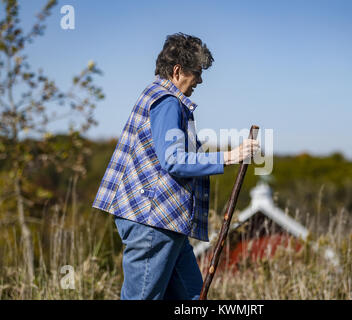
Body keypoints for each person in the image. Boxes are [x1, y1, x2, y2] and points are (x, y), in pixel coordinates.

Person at [92, 33, 260, 300]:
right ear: (178, 70)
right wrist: (229, 157)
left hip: (164, 223)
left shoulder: (156, 96)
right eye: (197, 72)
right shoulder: (168, 103)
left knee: (192, 297)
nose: (201, 80)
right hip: (152, 222)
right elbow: (174, 160)